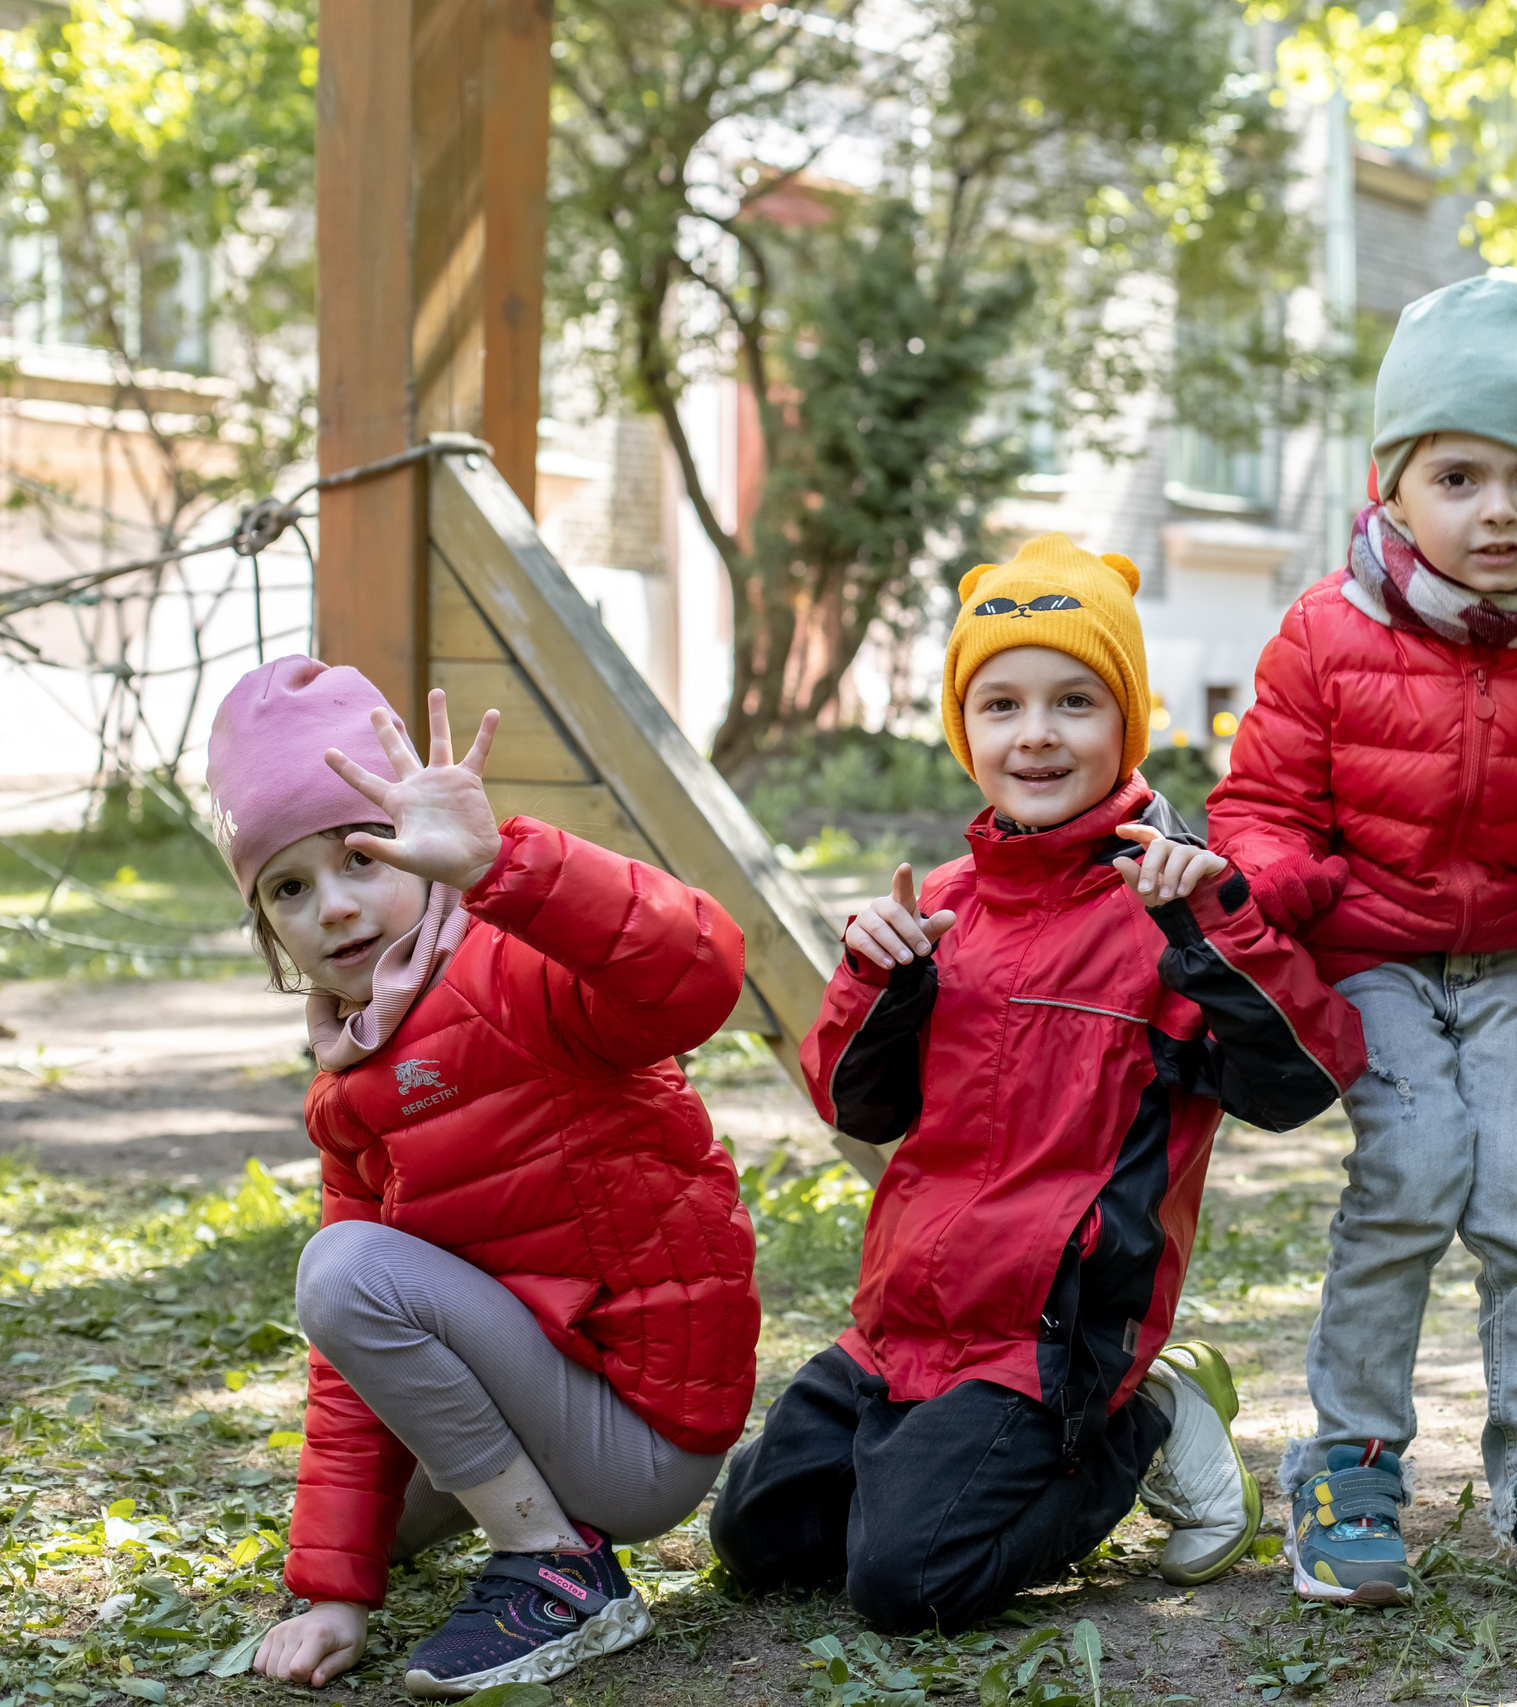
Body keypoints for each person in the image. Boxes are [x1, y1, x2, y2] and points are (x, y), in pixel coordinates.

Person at [707, 535, 1366, 1632]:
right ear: (965, 728)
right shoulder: (946, 902)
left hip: (1050, 1343)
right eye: (1001, 704)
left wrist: (1214, 925)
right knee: (754, 1538)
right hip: (904, 1321)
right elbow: (857, 1107)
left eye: (1075, 701)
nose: (1037, 733)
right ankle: (932, 1465)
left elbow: (1298, 1082)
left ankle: (1144, 1422)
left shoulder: (1178, 904)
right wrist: (875, 979)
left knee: (910, 1583)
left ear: (1126, 723)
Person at [1210, 275, 1517, 1606]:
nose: (1497, 510)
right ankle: (1352, 1458)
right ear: (1394, 483)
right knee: (1415, 1170)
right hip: (1372, 951)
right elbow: (1261, 802)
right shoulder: (1327, 629)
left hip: (1511, 956)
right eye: (1458, 477)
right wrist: (1273, 880)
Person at [210, 659, 757, 1696]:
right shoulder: (350, 1084)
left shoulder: (519, 967)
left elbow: (699, 971)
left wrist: (505, 861)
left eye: (362, 856)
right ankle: (513, 1527)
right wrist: (334, 1588)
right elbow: (353, 1356)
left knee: (343, 1268)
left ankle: (553, 1565)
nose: (334, 907)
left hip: (641, 1425)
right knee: (375, 1525)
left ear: (421, 848)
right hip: (547, 1390)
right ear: (268, 929)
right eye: (289, 887)